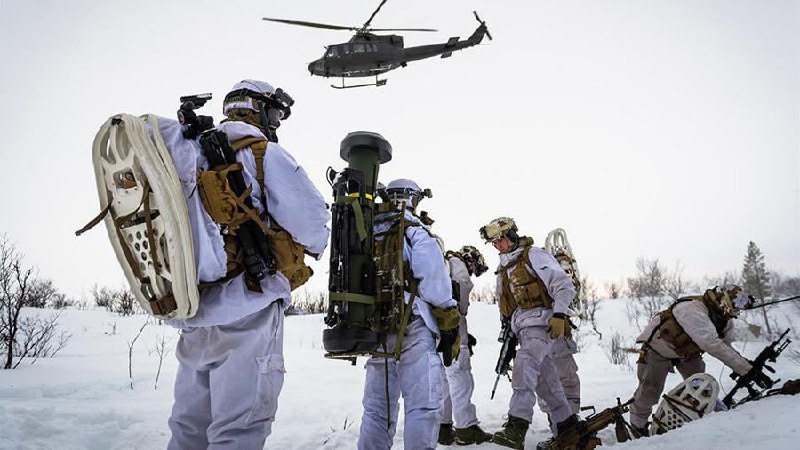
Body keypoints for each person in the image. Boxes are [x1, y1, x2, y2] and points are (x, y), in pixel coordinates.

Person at [165, 79, 330, 449]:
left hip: (195, 307)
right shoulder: (262, 153)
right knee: (238, 429)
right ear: (262, 111)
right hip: (248, 306)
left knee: (188, 427)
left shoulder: (187, 151)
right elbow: (314, 224)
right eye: (276, 114)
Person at [358, 178, 460, 450]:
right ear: (413, 198)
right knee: (423, 404)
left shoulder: (368, 230)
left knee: (378, 408)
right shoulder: (414, 229)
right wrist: (448, 316)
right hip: (412, 322)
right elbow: (433, 280)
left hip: (377, 325)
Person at [479, 217, 580, 449]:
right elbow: (507, 306)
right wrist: (509, 332)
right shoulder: (504, 268)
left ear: (512, 236)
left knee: (524, 367)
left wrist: (559, 315)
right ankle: (567, 429)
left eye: (500, 240)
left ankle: (516, 427)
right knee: (546, 384)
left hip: (541, 323)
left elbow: (564, 285)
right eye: (494, 243)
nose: (498, 246)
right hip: (521, 329)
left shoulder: (534, 255)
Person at [628, 284, 769, 438]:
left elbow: (726, 347)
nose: (734, 311)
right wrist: (746, 369)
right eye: (732, 306)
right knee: (650, 390)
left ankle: (715, 413)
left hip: (687, 353)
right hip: (658, 348)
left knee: (701, 386)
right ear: (722, 300)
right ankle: (638, 426)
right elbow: (713, 345)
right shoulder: (692, 309)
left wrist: (747, 367)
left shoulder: (724, 320)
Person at [438, 245, 494, 446]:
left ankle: (443, 428)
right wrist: (460, 312)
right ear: (471, 260)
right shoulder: (457, 265)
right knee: (461, 379)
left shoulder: (442, 264)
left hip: (438, 332)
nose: (472, 271)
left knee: (445, 381)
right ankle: (466, 429)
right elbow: (462, 284)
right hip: (452, 332)